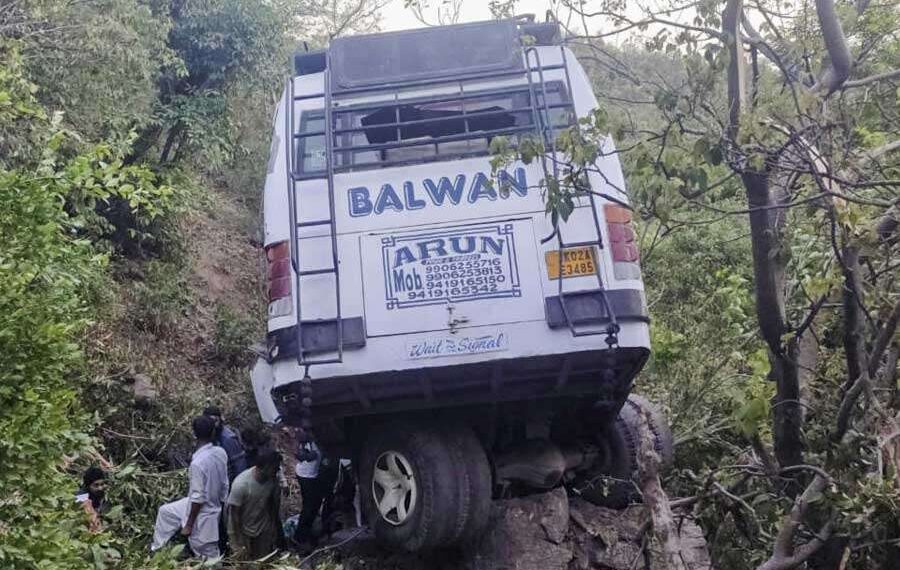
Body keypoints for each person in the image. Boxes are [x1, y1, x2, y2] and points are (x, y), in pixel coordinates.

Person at [151, 415, 229, 559]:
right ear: (213, 433)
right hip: (207, 503)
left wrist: (188, 525)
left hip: (203, 513)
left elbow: (198, 498)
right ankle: (157, 550)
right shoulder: (221, 452)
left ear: (194, 434)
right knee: (165, 512)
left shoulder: (198, 464)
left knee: (207, 554)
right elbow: (225, 483)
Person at [226, 448, 284, 561]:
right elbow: (234, 515)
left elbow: (272, 504)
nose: (277, 471)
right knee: (243, 562)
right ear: (266, 467)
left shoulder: (272, 480)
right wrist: (239, 541)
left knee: (262, 561)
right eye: (275, 468)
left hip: (262, 527)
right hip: (241, 530)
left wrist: (273, 527)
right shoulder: (241, 485)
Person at [292, 440, 339, 550]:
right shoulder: (309, 435)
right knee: (310, 507)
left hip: (311, 475)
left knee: (313, 505)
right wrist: (309, 456)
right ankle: (300, 538)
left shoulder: (317, 438)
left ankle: (305, 535)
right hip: (306, 476)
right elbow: (300, 453)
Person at [203, 406, 248, 482]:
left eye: (215, 421)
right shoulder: (209, 436)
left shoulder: (228, 439)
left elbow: (240, 466)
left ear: (220, 420)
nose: (213, 424)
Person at [75, 466, 108, 533]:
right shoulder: (81, 494)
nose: (100, 488)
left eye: (102, 484)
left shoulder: (105, 492)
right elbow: (87, 508)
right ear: (88, 486)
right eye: (96, 485)